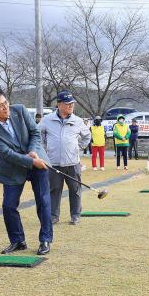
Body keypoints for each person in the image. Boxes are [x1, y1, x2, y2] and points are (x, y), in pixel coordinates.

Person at [0, 86, 53, 255]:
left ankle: (45, 239)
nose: (6, 108)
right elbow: (7, 153)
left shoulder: (19, 110)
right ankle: (17, 240)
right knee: (8, 205)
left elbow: (35, 132)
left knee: (43, 201)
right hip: (12, 167)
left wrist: (33, 150)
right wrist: (30, 161)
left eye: (6, 102)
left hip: (38, 161)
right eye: (0, 106)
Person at [39, 91, 91, 226]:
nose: (70, 106)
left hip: (73, 163)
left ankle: (75, 215)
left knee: (75, 190)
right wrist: (44, 151)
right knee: (54, 190)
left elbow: (87, 136)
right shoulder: (47, 120)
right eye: (67, 104)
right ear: (59, 104)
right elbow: (38, 136)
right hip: (53, 164)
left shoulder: (78, 121)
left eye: (72, 103)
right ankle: (53, 216)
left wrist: (77, 147)